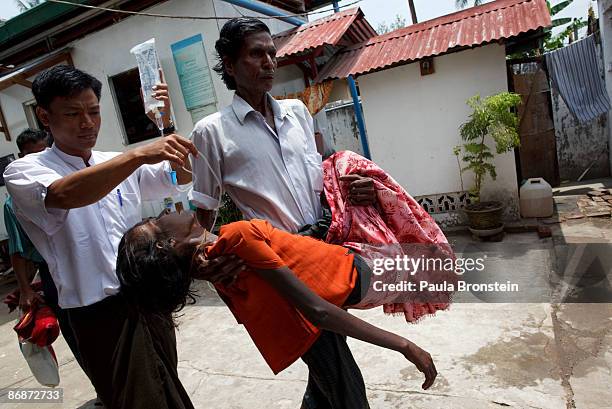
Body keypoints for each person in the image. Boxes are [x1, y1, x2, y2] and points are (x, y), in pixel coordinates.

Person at [189, 17, 377, 408]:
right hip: (281, 264)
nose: (269, 62)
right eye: (256, 54)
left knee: (326, 354)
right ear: (228, 63)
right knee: (337, 369)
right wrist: (203, 259)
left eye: (272, 53)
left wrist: (352, 187)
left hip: (325, 250)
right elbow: (203, 212)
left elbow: (320, 177)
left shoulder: (297, 114)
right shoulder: (212, 131)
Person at [3, 65, 199, 409]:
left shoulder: (115, 161)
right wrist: (137, 154)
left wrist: (166, 126)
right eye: (73, 113)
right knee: (131, 398)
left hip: (146, 299)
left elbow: (177, 176)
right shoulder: (25, 171)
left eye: (94, 111)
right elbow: (65, 195)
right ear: (45, 117)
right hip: (97, 313)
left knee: (168, 388)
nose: (87, 123)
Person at [115, 212, 439, 394]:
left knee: (333, 393)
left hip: (324, 304)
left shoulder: (217, 264)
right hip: (341, 289)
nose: (165, 212)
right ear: (169, 243)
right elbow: (318, 310)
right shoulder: (235, 242)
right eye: (156, 220)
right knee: (345, 396)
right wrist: (404, 345)